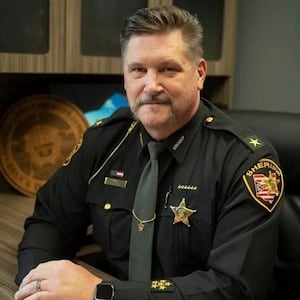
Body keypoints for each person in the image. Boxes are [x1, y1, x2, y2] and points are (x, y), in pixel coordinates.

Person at [14, 5, 284, 300]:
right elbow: (50, 221)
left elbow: (234, 288)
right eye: (138, 70)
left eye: (168, 69)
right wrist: (38, 283)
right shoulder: (104, 140)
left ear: (199, 73)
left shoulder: (246, 162)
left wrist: (103, 293)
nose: (151, 85)